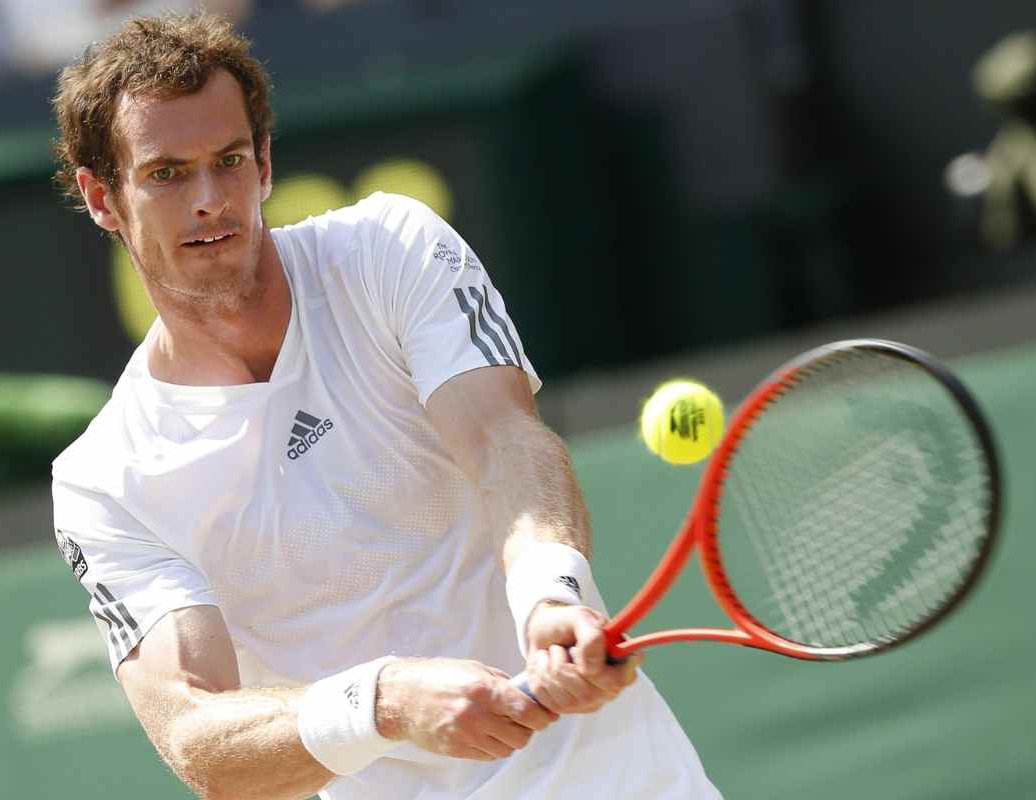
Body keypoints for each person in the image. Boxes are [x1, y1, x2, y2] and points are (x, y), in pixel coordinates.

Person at [49, 12, 721, 800]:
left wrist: (550, 593)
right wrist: (385, 702)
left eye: (229, 161)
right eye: (166, 174)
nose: (209, 199)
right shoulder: (104, 482)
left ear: (264, 164)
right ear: (102, 197)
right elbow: (197, 736)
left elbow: (505, 437)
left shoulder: (387, 251)